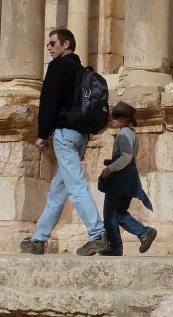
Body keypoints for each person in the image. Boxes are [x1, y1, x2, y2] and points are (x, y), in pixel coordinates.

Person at [20, 28, 109, 256]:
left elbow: (49, 100)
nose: (49, 48)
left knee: (76, 186)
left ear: (66, 44)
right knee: (58, 189)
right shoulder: (81, 70)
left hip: (64, 134)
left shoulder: (58, 66)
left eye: (52, 44)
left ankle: (97, 234)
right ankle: (39, 238)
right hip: (81, 136)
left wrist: (42, 133)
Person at [97, 101, 157, 256]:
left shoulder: (123, 134)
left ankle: (116, 245)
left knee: (110, 213)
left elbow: (126, 157)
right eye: (113, 115)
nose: (113, 119)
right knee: (119, 212)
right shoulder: (131, 134)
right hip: (129, 179)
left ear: (126, 119)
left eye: (117, 116)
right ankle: (143, 234)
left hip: (120, 179)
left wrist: (109, 169)